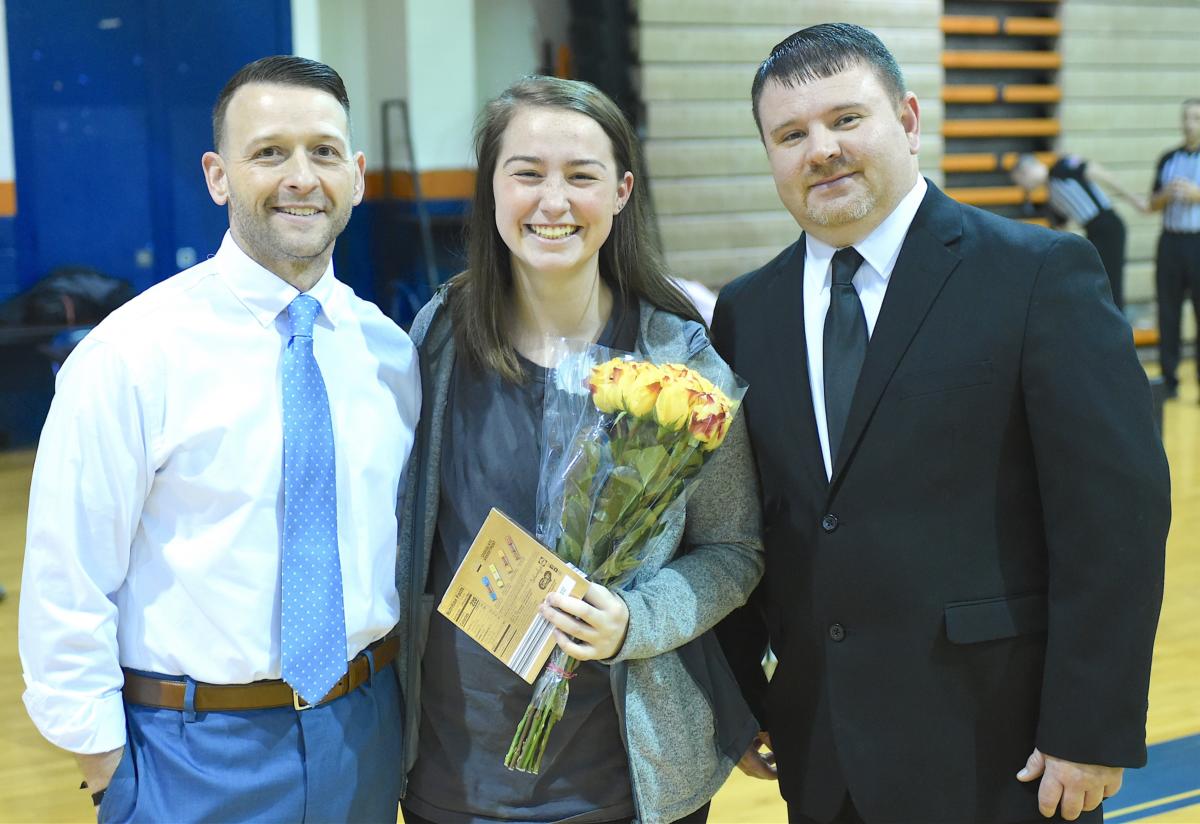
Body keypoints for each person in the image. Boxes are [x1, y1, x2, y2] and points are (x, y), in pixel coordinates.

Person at [710, 23, 1170, 824]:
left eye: (846, 120)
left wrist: (1089, 727)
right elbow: (754, 523)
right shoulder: (747, 311)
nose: (821, 150)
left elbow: (1116, 520)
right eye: (791, 134)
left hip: (1004, 751)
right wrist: (742, 692)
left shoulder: (1035, 275)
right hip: (823, 750)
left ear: (910, 121)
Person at [18, 55, 420, 822]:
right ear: (218, 175)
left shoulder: (387, 351)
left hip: (365, 731)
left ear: (358, 175)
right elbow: (67, 586)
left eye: (324, 152)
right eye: (269, 152)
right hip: (189, 751)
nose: (301, 176)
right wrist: (110, 773)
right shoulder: (131, 355)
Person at [394, 75, 763, 824]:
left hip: (632, 785)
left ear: (623, 191)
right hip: (455, 777)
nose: (552, 202)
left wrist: (634, 618)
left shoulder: (681, 362)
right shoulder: (435, 339)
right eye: (526, 173)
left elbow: (735, 550)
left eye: (582, 176)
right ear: (491, 189)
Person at [1011, 153, 1147, 310]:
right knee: (1097, 281)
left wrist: (1133, 199)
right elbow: (1061, 225)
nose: (1023, 188)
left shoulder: (1061, 168)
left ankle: (1117, 325)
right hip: (1094, 231)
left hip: (1107, 225)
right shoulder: (1052, 194)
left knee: (1110, 282)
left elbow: (1095, 171)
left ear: (1025, 172)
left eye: (1020, 182)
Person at [1148, 98, 1200, 400]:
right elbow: (1151, 204)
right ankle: (1170, 380)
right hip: (1170, 242)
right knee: (1168, 313)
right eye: (1186, 117)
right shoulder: (1168, 158)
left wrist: (1196, 195)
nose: (1189, 123)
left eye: (1195, 117)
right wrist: (1166, 195)